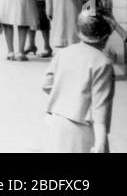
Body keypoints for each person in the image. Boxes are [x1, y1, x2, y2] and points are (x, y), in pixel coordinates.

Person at [42, 11, 115, 153]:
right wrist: (100, 142)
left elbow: (46, 83)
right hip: (84, 127)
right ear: (105, 37)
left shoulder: (63, 53)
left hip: (58, 122)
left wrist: (67, 94)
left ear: (79, 33)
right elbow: (100, 107)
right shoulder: (102, 63)